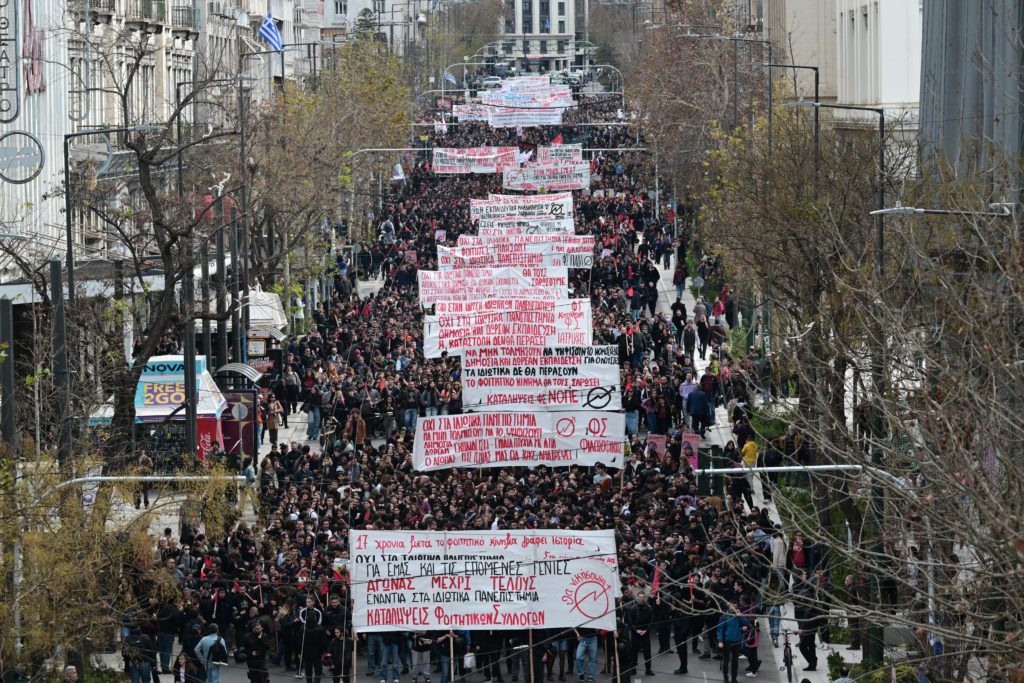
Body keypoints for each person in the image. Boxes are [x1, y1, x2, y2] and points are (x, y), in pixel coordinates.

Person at [716, 605, 746, 683]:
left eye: (735, 606)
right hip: (727, 641)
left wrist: (741, 616)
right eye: (732, 606)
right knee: (726, 660)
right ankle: (726, 678)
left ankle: (734, 678)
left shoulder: (738, 616)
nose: (734, 608)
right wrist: (720, 641)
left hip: (737, 641)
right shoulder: (724, 617)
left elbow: (746, 623)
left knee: (735, 661)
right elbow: (720, 629)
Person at [627, 591, 654, 676]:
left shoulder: (649, 608)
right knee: (634, 652)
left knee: (647, 652)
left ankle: (648, 669)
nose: (642, 599)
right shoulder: (633, 608)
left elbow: (652, 620)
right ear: (637, 598)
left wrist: (646, 630)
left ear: (645, 598)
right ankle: (633, 669)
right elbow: (630, 621)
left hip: (645, 633)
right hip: (636, 633)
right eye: (640, 597)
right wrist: (636, 630)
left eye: (643, 597)